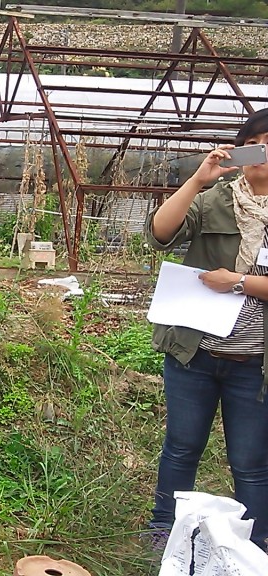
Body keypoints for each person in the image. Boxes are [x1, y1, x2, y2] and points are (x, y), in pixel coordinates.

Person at [145, 108, 268, 550]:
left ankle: (254, 547)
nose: (264, 152)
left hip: (255, 364)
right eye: (258, 142)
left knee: (252, 462)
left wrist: (237, 282)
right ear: (242, 148)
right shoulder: (214, 198)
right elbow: (160, 233)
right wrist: (199, 180)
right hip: (194, 355)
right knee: (181, 449)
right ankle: (164, 535)